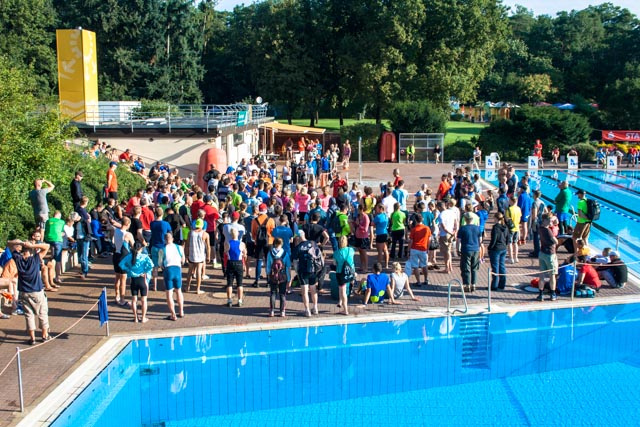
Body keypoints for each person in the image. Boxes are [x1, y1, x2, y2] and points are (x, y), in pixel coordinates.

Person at [7, 239, 51, 345]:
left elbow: (9, 244)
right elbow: (47, 246)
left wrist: (21, 243)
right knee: (42, 313)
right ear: (32, 251)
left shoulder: (18, 259)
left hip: (24, 292)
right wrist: (32, 245)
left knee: (29, 315)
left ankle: (32, 338)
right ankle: (44, 335)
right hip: (37, 291)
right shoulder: (35, 259)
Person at [119, 241, 154, 323]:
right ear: (141, 248)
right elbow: (151, 265)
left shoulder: (129, 256)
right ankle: (143, 318)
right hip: (142, 279)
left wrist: (129, 270)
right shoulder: (144, 256)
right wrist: (145, 271)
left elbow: (121, 264)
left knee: (134, 300)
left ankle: (135, 318)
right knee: (144, 300)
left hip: (133, 280)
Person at [293, 230, 324, 316]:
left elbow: (295, 262)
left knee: (305, 291)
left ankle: (307, 310)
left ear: (298, 237)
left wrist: (297, 271)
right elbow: (320, 256)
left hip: (303, 271)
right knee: (313, 289)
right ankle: (315, 308)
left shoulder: (298, 247)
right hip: (313, 270)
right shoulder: (313, 243)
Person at [157, 232, 185, 320]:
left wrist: (163, 267)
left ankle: (173, 315)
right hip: (177, 270)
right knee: (179, 291)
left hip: (168, 270)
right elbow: (183, 260)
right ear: (172, 239)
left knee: (169, 293)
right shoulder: (179, 247)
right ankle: (181, 311)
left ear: (164, 240)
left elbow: (160, 263)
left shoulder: (162, 250)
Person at [251, 203, 275, 287]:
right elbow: (273, 232)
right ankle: (268, 281)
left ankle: (257, 280)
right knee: (268, 262)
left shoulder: (254, 220)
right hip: (269, 242)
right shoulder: (270, 220)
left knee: (259, 261)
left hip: (259, 242)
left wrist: (255, 239)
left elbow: (253, 233)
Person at [266, 238, 291, 317]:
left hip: (273, 275)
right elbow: (288, 267)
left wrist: (268, 274)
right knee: (282, 294)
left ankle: (272, 311)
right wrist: (289, 278)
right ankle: (282, 311)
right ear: (282, 244)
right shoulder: (285, 254)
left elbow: (268, 265)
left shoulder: (270, 253)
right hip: (283, 276)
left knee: (273, 293)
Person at [185, 218, 210, 295]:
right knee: (199, 271)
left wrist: (186, 254)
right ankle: (197, 289)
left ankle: (187, 287)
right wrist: (208, 256)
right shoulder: (205, 234)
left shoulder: (190, 233)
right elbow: (208, 247)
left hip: (192, 254)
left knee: (190, 271)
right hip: (200, 255)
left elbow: (187, 245)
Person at [458, 211, 481, 292]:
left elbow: (458, 240)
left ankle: (467, 284)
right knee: (474, 268)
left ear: (465, 219)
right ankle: (473, 284)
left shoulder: (462, 228)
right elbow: (480, 240)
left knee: (466, 267)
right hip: (475, 249)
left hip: (466, 249)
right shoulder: (477, 228)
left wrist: (457, 249)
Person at [112, 217, 133, 307]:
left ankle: (117, 296)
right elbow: (133, 245)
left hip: (116, 255)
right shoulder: (128, 234)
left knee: (117, 278)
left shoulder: (116, 231)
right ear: (128, 224)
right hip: (123, 257)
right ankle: (122, 300)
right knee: (123, 279)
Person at [150, 207, 172, 291]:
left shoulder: (152, 223)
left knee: (155, 267)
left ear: (155, 214)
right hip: (163, 247)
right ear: (162, 214)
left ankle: (154, 286)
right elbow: (170, 233)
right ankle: (165, 285)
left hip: (154, 246)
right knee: (164, 267)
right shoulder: (166, 224)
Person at [537, 213, 558, 301]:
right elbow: (556, 241)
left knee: (542, 275)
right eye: (549, 220)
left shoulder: (540, 228)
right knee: (552, 275)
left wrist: (552, 222)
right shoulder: (548, 231)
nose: (550, 222)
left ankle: (541, 294)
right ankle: (553, 294)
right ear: (545, 220)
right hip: (550, 254)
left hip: (542, 253)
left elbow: (553, 220)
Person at [224, 227, 247, 307]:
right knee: (239, 283)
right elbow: (245, 255)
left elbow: (225, 253)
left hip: (230, 262)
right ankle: (240, 300)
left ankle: (229, 300)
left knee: (229, 283)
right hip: (239, 263)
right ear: (238, 234)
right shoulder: (242, 244)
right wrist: (244, 264)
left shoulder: (227, 243)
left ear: (231, 235)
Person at [333, 236, 355, 315]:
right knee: (343, 288)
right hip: (350, 271)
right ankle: (340, 301)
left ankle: (345, 310)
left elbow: (334, 263)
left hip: (340, 273)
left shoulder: (336, 253)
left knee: (343, 291)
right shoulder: (351, 250)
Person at [408, 214, 431, 287]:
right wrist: (428, 248)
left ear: (415, 220)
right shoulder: (427, 228)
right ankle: (426, 279)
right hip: (423, 249)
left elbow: (411, 241)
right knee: (424, 265)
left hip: (414, 249)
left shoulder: (414, 229)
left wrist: (408, 250)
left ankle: (418, 281)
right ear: (422, 219)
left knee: (415, 266)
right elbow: (429, 240)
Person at [488, 212, 509, 291]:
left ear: (496, 218)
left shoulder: (495, 227)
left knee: (495, 267)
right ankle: (502, 284)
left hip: (496, 249)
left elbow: (494, 239)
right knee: (502, 266)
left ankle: (494, 285)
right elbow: (508, 238)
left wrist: (490, 248)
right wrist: (505, 245)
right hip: (503, 248)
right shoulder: (505, 227)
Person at [354, 204, 370, 273]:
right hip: (358, 236)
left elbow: (365, 228)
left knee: (364, 252)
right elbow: (356, 224)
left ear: (362, 209)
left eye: (358, 209)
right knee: (360, 252)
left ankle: (366, 267)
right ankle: (362, 266)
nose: (358, 210)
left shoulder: (366, 217)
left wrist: (359, 225)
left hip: (363, 237)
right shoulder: (358, 216)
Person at [372, 203, 390, 269]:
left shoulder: (378, 217)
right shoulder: (386, 215)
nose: (376, 209)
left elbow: (372, 224)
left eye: (377, 208)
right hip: (385, 233)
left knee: (380, 251)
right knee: (385, 249)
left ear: (380, 209)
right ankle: (386, 264)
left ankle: (379, 265)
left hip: (379, 234)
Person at [505, 196, 521, 264]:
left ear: (511, 201)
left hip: (510, 228)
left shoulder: (509, 209)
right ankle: (516, 257)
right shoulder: (518, 209)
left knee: (510, 243)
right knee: (515, 243)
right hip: (517, 227)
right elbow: (519, 218)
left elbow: (506, 219)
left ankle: (511, 258)